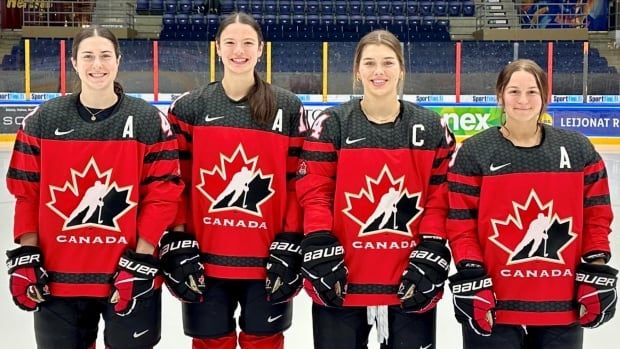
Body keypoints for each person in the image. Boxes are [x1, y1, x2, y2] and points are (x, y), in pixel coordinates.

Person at [5, 26, 184, 348]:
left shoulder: (148, 120)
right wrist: (28, 252)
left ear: (118, 61)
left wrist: (141, 261)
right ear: (74, 62)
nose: (97, 64)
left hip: (126, 271)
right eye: (88, 56)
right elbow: (26, 193)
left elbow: (163, 195)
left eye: (105, 56)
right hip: (58, 277)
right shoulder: (42, 120)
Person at [296, 29, 455, 349]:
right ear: (357, 70)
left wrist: (434, 244)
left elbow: (440, 196)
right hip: (343, 274)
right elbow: (315, 190)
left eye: (387, 63)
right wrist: (318, 239)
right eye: (369, 63)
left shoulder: (432, 127)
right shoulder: (332, 123)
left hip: (409, 275)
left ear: (401, 69)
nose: (378, 71)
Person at [446, 59, 617, 349]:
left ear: (545, 96)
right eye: (514, 91)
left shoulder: (578, 150)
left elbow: (597, 216)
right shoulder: (475, 151)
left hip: (561, 300)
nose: (522, 100)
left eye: (532, 92)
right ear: (500, 95)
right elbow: (461, 223)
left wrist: (596, 268)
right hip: (494, 298)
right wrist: (471, 273)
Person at [163, 12, 305, 349]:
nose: (238, 50)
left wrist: (290, 241)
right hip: (205, 258)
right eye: (230, 42)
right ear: (217, 48)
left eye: (247, 43)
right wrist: (178, 239)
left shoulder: (287, 106)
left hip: (268, 260)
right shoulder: (189, 108)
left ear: (260, 50)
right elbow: (174, 184)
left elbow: (297, 183)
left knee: (265, 341)